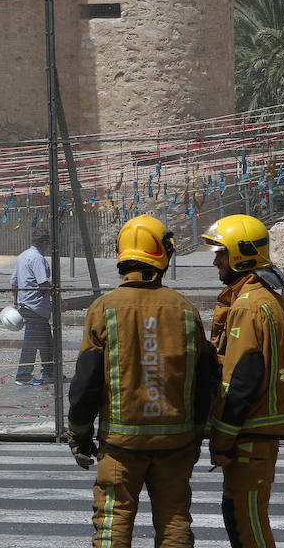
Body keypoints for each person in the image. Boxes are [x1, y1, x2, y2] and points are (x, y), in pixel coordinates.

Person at [67, 215, 218, 547]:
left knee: (113, 521)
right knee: (175, 521)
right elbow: (204, 379)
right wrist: (197, 433)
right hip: (175, 443)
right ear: (162, 255)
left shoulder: (103, 309)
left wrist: (79, 435)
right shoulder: (185, 310)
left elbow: (85, 382)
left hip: (121, 447)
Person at [202, 214, 284, 548]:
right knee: (244, 516)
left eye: (221, 253)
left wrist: (221, 442)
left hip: (249, 434)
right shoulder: (267, 299)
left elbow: (240, 380)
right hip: (257, 432)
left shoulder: (248, 305)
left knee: (247, 524)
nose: (216, 261)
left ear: (241, 254)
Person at [10, 227, 55, 385]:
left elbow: (14, 283)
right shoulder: (37, 258)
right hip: (35, 306)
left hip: (26, 305)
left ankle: (49, 372)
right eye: (48, 243)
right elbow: (43, 283)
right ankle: (23, 375)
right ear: (44, 243)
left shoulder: (23, 256)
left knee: (46, 342)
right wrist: (59, 299)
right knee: (32, 342)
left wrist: (16, 303)